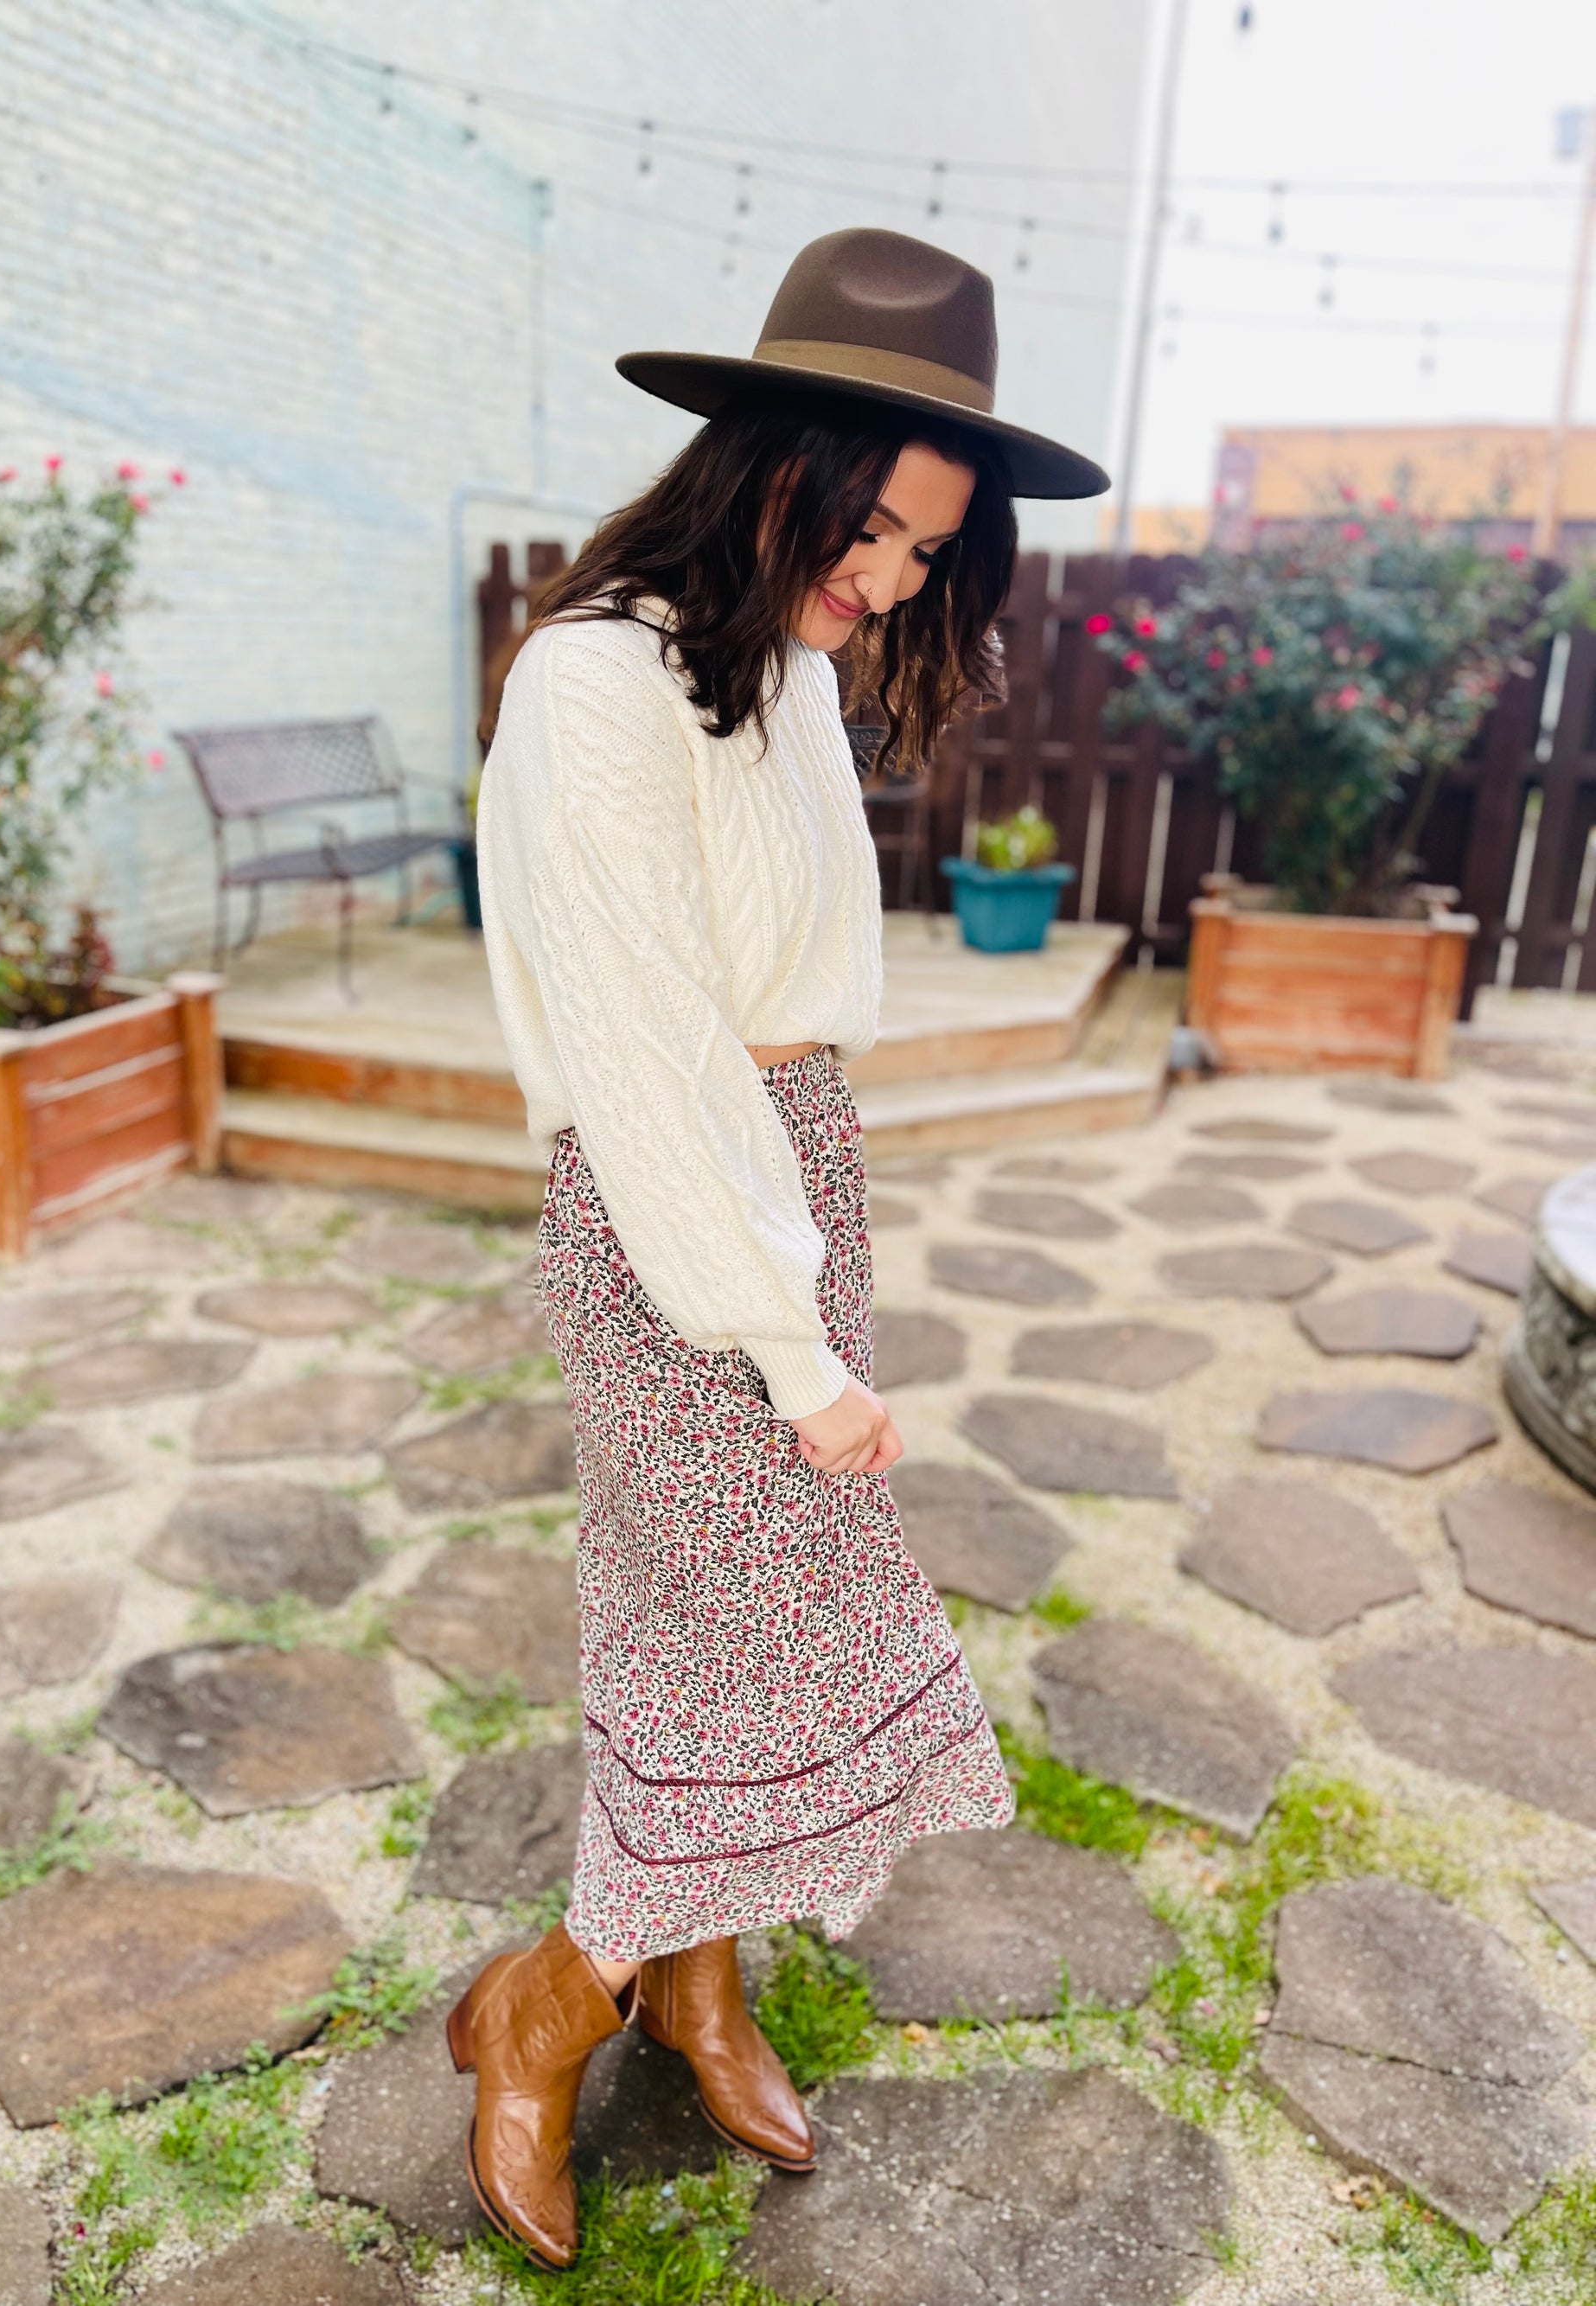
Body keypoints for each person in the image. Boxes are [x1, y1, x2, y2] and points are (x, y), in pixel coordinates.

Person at [459, 226, 1108, 2269]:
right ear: (775, 455)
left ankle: (698, 1981)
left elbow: (774, 1011)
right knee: (744, 1644)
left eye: (930, 553)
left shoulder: (784, 673)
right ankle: (547, 2007)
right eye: (882, 531)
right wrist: (791, 1341)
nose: (896, 579)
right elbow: (647, 1056)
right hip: (683, 1215)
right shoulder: (597, 680)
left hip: (792, 1172)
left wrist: (813, 1264)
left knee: (723, 1649)